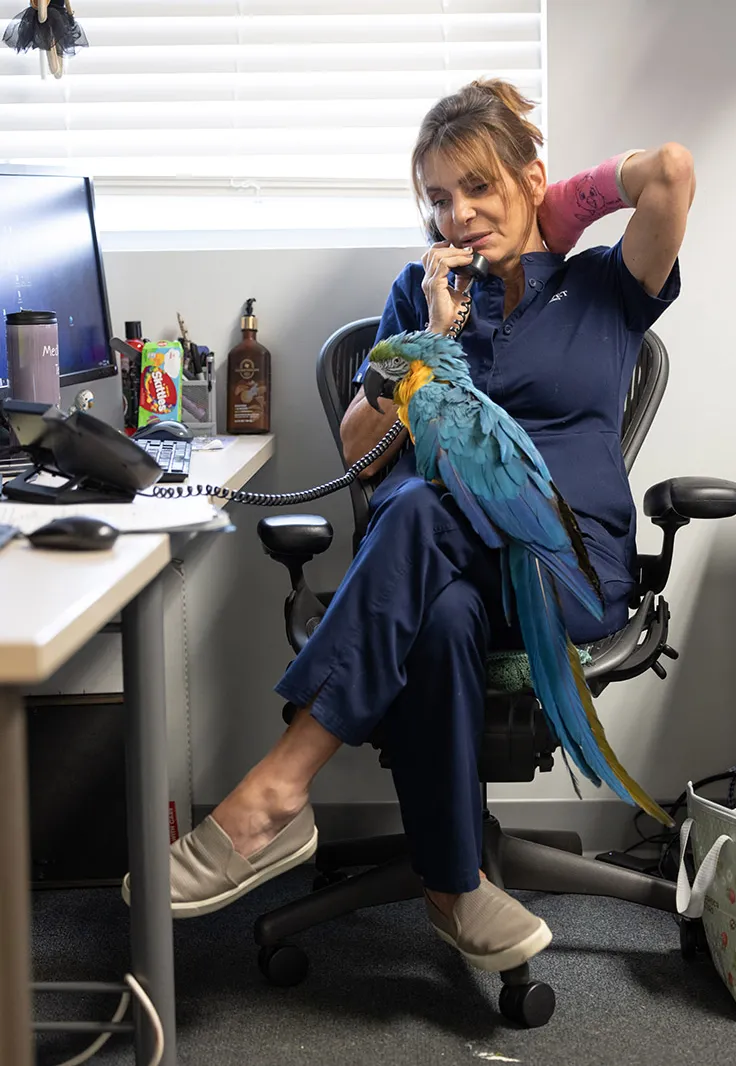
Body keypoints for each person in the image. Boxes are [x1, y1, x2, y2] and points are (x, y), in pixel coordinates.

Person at [124, 80, 694, 974]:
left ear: (528, 178)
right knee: (440, 603)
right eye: (437, 198)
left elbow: (669, 172)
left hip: (558, 570)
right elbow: (361, 450)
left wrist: (557, 211)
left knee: (426, 514)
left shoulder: (605, 287)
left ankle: (276, 792)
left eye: (479, 187)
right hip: (438, 572)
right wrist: (436, 335)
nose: (458, 214)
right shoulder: (417, 295)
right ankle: (454, 885)